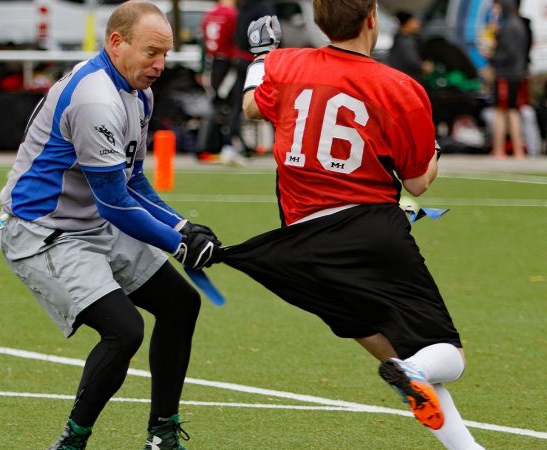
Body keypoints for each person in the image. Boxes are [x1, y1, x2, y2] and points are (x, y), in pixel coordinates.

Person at [220, 3, 485, 448]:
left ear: (321, 21)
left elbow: (250, 106)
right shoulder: (399, 86)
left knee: (404, 360)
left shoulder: (286, 64)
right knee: (446, 356)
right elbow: (418, 183)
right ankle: (418, 373)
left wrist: (262, 57)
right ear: (371, 19)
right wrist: (433, 148)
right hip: (370, 231)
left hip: (303, 244)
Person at [0, 2, 220, 449]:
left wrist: (183, 225)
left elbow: (133, 180)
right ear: (116, 43)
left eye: (166, 54)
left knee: (181, 305)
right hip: (44, 232)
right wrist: (179, 244)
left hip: (92, 219)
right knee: (124, 330)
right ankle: (72, 441)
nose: (160, 65)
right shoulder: (96, 98)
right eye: (152, 52)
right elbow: (117, 203)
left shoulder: (139, 91)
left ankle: (162, 436)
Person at [217, 0, 276, 166]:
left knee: (238, 105)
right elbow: (272, 35)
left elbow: (237, 35)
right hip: (261, 60)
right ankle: (280, 143)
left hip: (242, 59)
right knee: (273, 102)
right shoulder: (264, 7)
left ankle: (229, 145)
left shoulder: (242, 8)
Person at [199, 0, 238, 158]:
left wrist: (202, 69)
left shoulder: (209, 15)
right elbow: (236, 40)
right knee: (227, 105)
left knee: (216, 103)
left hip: (212, 63)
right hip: (226, 64)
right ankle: (217, 145)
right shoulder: (231, 15)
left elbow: (202, 44)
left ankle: (211, 145)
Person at [489, 0, 528, 158]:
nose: (495, 9)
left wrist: (493, 57)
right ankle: (517, 150)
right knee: (511, 111)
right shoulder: (517, 24)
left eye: (497, 5)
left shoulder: (510, 26)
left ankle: (499, 149)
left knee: (502, 111)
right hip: (515, 73)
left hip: (506, 74)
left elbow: (508, 53)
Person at [387, 11, 433, 85]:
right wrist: (424, 67)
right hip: (406, 80)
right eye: (414, 22)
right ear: (408, 23)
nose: (418, 24)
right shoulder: (405, 41)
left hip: (399, 78)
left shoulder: (399, 38)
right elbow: (412, 61)